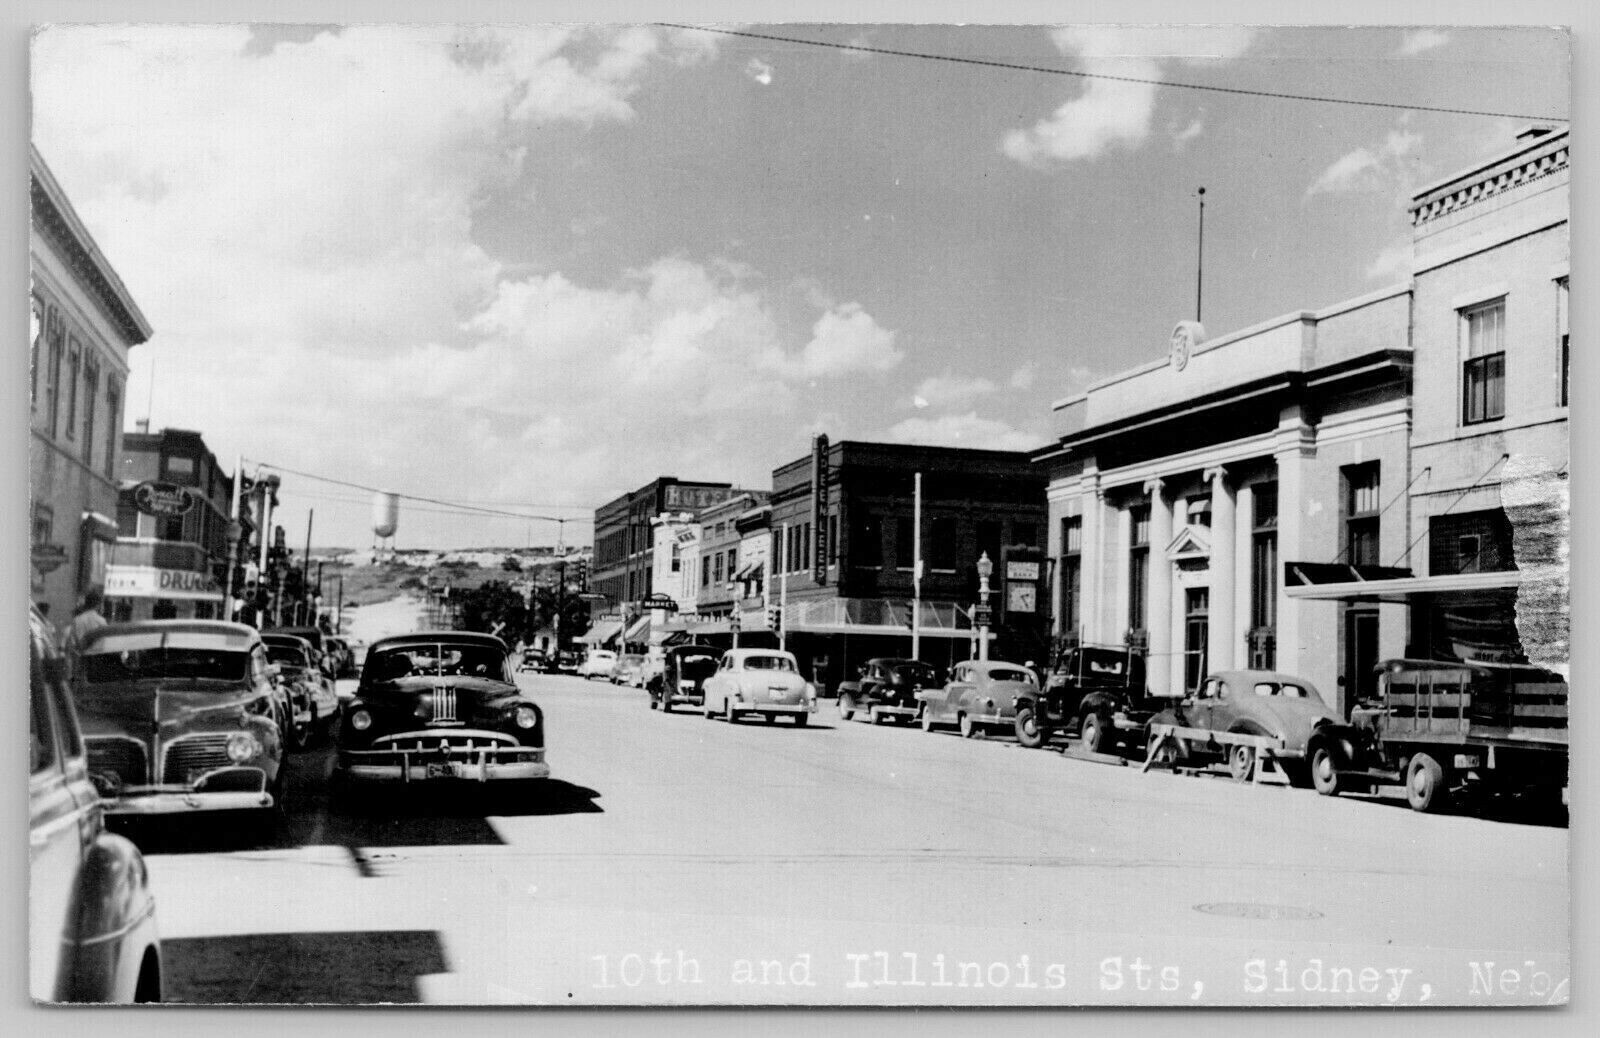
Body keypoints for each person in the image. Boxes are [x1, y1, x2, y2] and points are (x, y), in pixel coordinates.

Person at [61, 587, 108, 676]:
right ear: (98, 605)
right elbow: (105, 643)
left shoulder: (77, 620)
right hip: (97, 663)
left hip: (80, 662)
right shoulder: (101, 621)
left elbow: (72, 643)